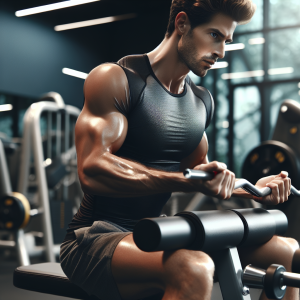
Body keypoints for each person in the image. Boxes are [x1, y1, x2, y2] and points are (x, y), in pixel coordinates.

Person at [60, 1, 299, 299]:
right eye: (214, 35)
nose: (221, 52)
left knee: (285, 250)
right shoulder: (118, 80)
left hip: (159, 231)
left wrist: (252, 188)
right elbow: (92, 169)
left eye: (226, 41)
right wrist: (182, 179)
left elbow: (202, 172)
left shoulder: (201, 102)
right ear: (182, 24)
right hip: (94, 238)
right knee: (193, 267)